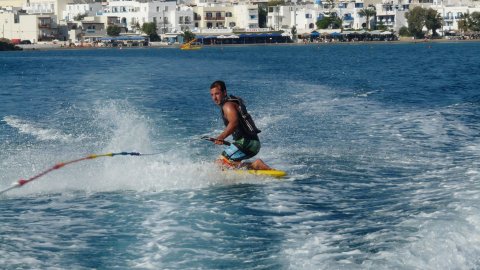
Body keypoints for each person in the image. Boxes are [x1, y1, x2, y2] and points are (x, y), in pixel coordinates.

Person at [209, 80, 271, 170]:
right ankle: (255, 165)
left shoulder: (227, 106)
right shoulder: (231, 103)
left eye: (217, 94)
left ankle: (256, 165)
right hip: (252, 143)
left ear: (224, 92)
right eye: (212, 95)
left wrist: (221, 137)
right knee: (232, 166)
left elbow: (234, 123)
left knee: (218, 164)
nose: (214, 98)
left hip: (247, 143)